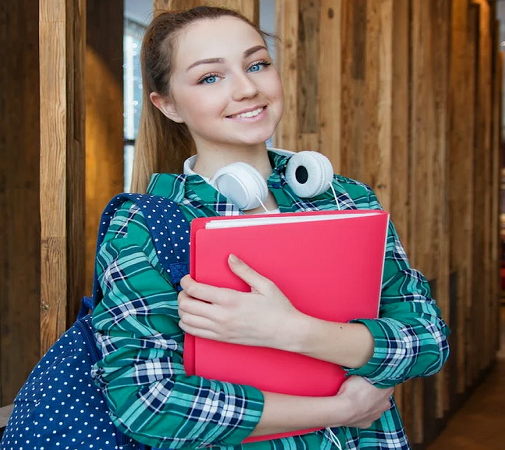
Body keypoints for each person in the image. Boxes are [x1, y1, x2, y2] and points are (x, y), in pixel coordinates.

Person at [90, 6, 450, 449]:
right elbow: (147, 403)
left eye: (257, 64)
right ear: (168, 105)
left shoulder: (345, 199)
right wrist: (341, 410)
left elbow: (429, 338)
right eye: (210, 77)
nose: (247, 88)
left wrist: (293, 331)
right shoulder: (146, 224)